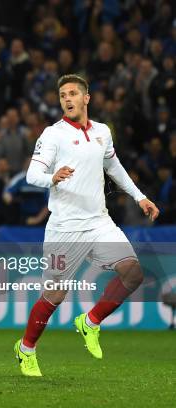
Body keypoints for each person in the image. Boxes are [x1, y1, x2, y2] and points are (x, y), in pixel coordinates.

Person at [14, 74, 160, 377]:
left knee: (133, 273)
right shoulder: (53, 134)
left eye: (72, 94)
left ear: (86, 98)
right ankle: (26, 350)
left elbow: (113, 166)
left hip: (98, 221)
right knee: (54, 296)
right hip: (64, 229)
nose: (66, 99)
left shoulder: (103, 132)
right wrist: (51, 178)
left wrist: (139, 196)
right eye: (62, 95)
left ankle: (90, 321)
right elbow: (32, 175)